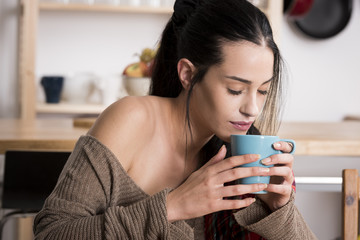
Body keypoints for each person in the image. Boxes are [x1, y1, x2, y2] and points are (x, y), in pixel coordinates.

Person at [34, 0, 317, 239]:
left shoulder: (242, 153)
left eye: (263, 90)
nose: (252, 109)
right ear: (188, 75)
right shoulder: (130, 119)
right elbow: (52, 232)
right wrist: (172, 207)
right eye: (235, 90)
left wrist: (279, 208)